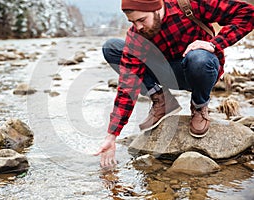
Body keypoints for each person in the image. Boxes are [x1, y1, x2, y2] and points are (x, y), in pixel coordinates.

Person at [94, 0, 254, 167]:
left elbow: (248, 14)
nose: (138, 26)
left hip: (200, 69)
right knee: (112, 48)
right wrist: (112, 135)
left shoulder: (190, 4)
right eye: (133, 22)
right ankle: (160, 99)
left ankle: (199, 105)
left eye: (141, 20)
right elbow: (127, 87)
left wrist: (214, 44)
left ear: (157, 8)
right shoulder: (137, 35)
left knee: (198, 58)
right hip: (167, 73)